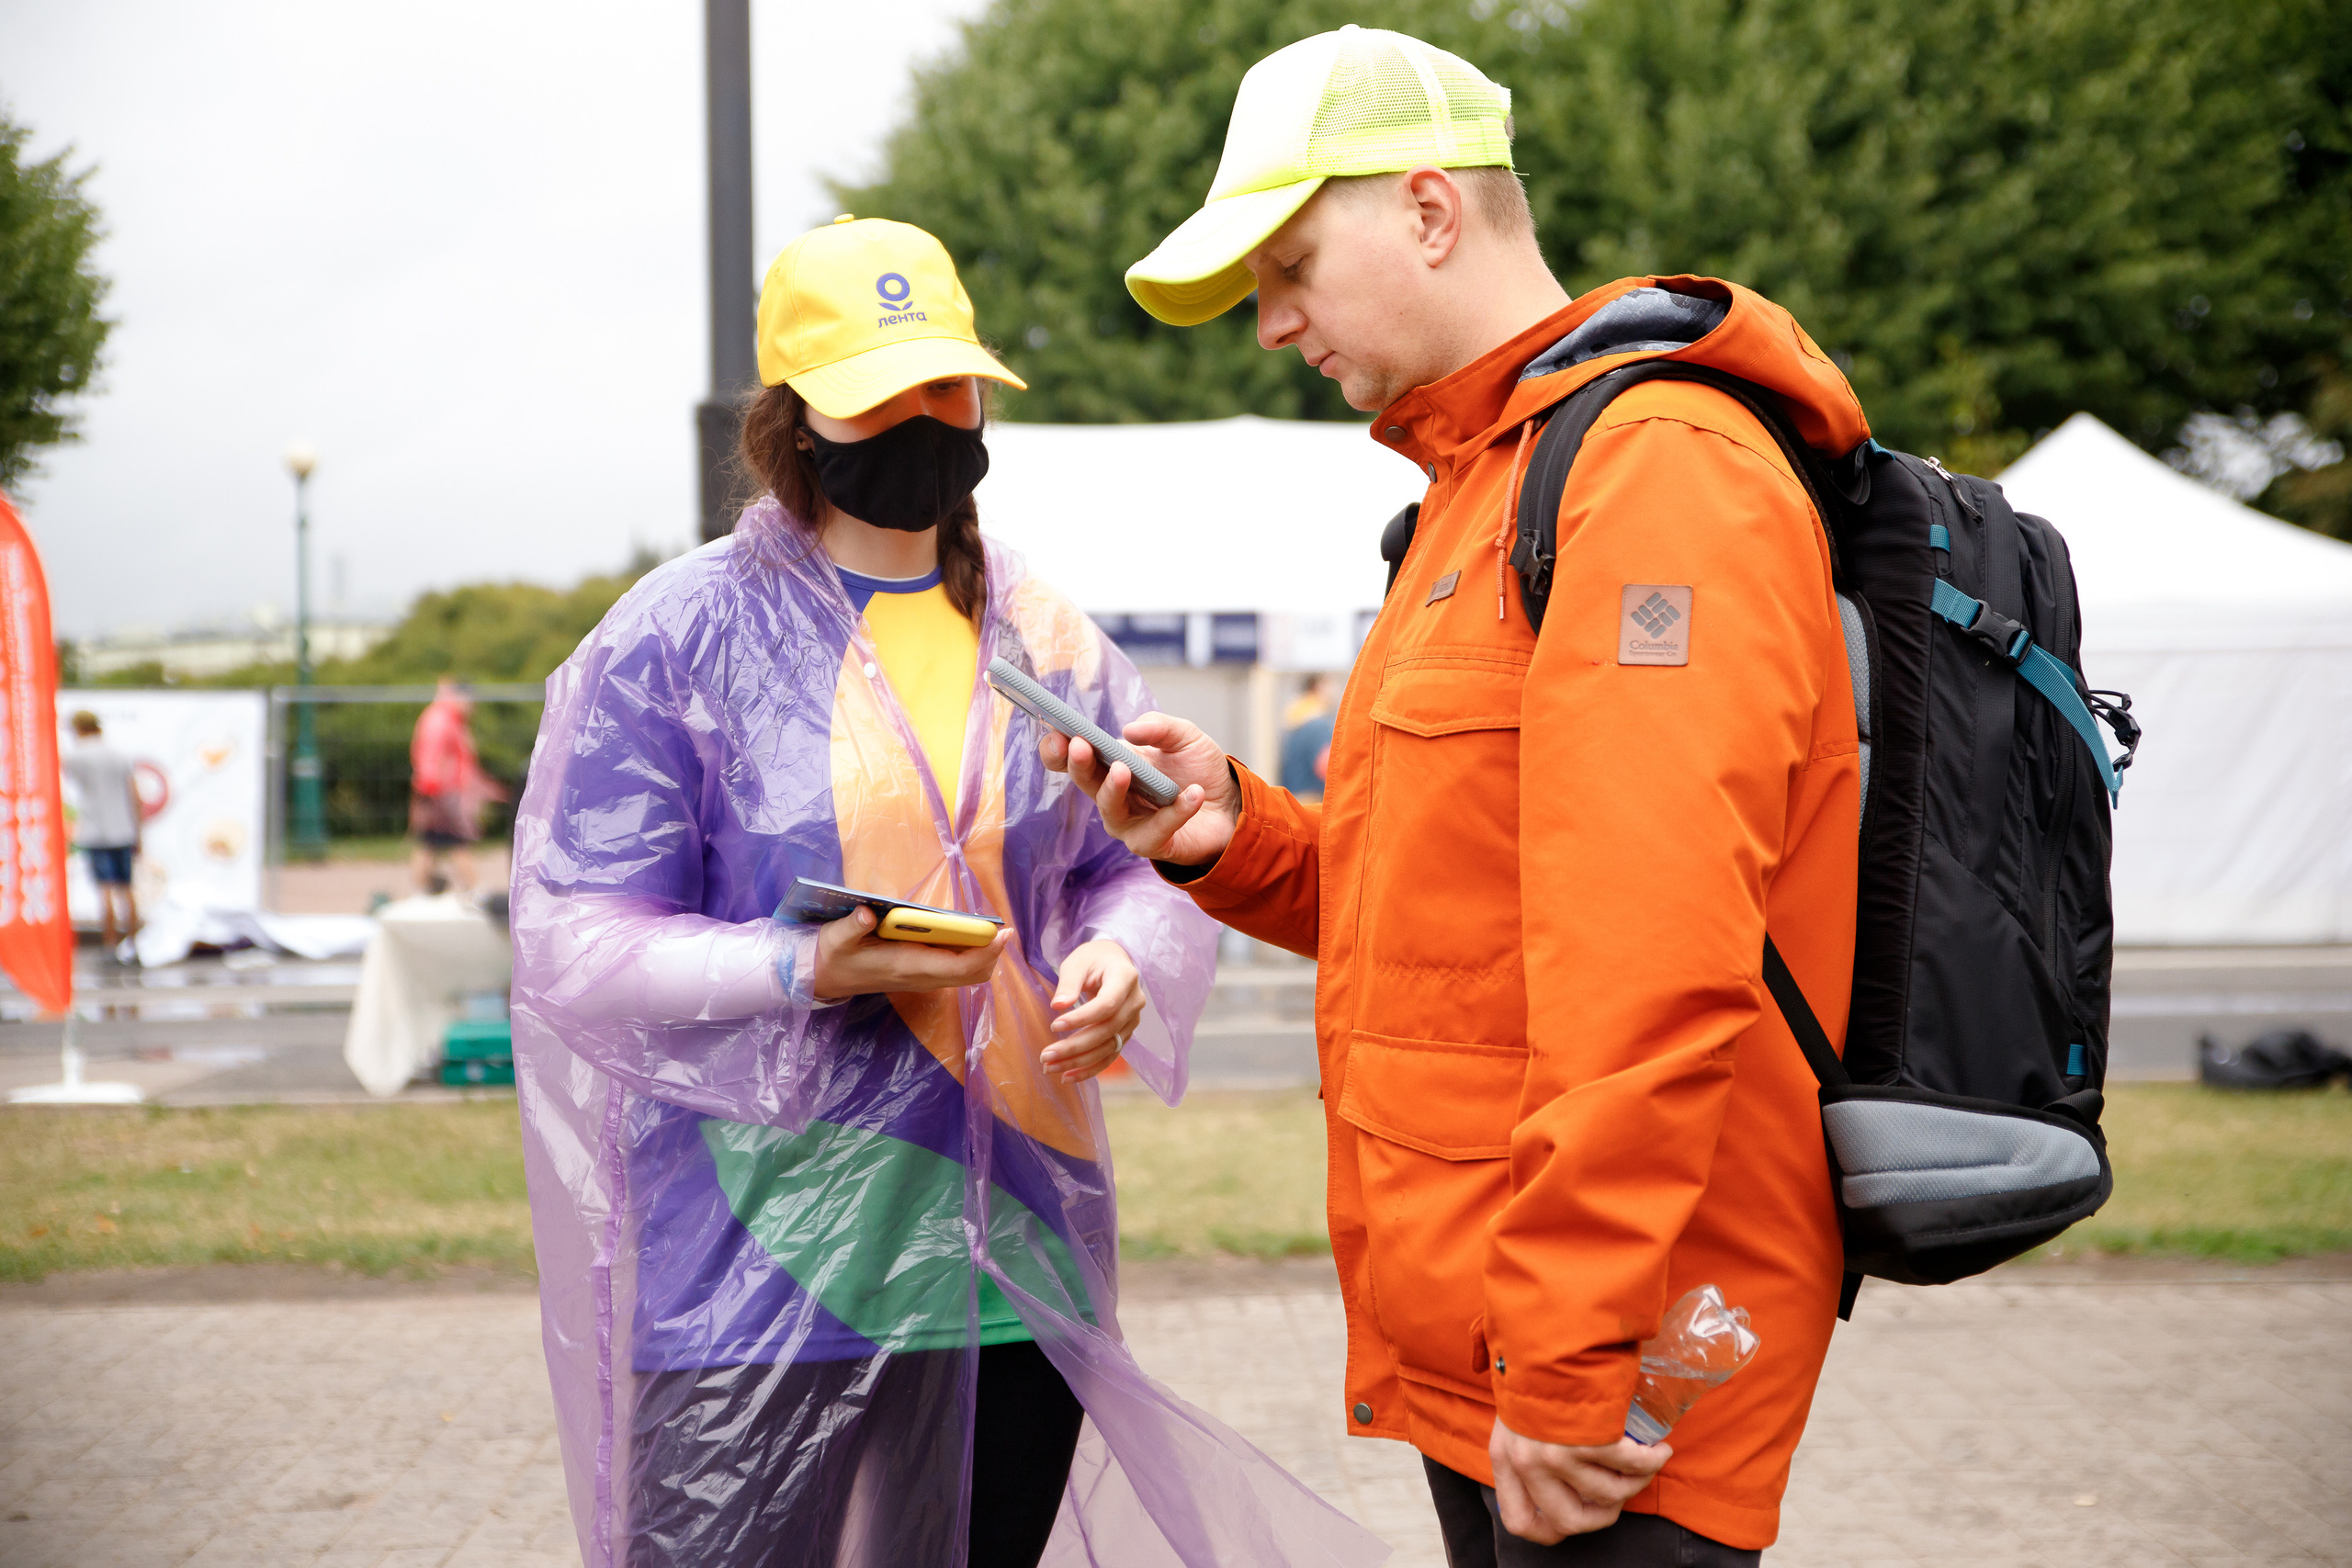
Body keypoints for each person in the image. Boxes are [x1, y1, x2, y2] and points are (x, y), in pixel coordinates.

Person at [1053, 27, 1870, 1567]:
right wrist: (1234, 836)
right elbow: (1454, 922)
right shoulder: (1475, 490)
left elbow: (1653, 955)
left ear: (1430, 211)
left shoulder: (1654, 470)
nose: (1270, 323)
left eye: (1290, 266)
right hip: (1493, 1331)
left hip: (1615, 1366)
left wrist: (1570, 1358)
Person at [506, 217, 1384, 1568]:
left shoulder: (1042, 630)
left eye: (948, 386)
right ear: (795, 418)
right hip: (760, 1265)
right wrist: (796, 967)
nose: (924, 421)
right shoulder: (678, 637)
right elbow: (572, 938)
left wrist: (1123, 955)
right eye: (880, 394)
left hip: (1009, 1262)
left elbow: (1132, 862)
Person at [409, 677, 503, 893]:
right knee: (458, 841)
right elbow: (431, 755)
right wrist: (430, 787)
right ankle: (474, 889)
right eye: (470, 700)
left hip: (441, 790)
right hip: (441, 791)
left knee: (430, 842)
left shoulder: (450, 719)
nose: (473, 706)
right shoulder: (441, 720)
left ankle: (422, 888)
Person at [62, 710, 141, 955]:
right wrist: (138, 831)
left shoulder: (76, 757)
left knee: (105, 889)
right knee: (126, 888)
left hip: (95, 830)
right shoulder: (118, 755)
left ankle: (110, 943)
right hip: (123, 828)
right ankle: (133, 942)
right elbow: (134, 794)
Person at [1278, 671, 1340, 800]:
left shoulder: (1295, 721)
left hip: (1294, 799)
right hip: (1314, 800)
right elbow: (1328, 767)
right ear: (1318, 688)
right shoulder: (1318, 724)